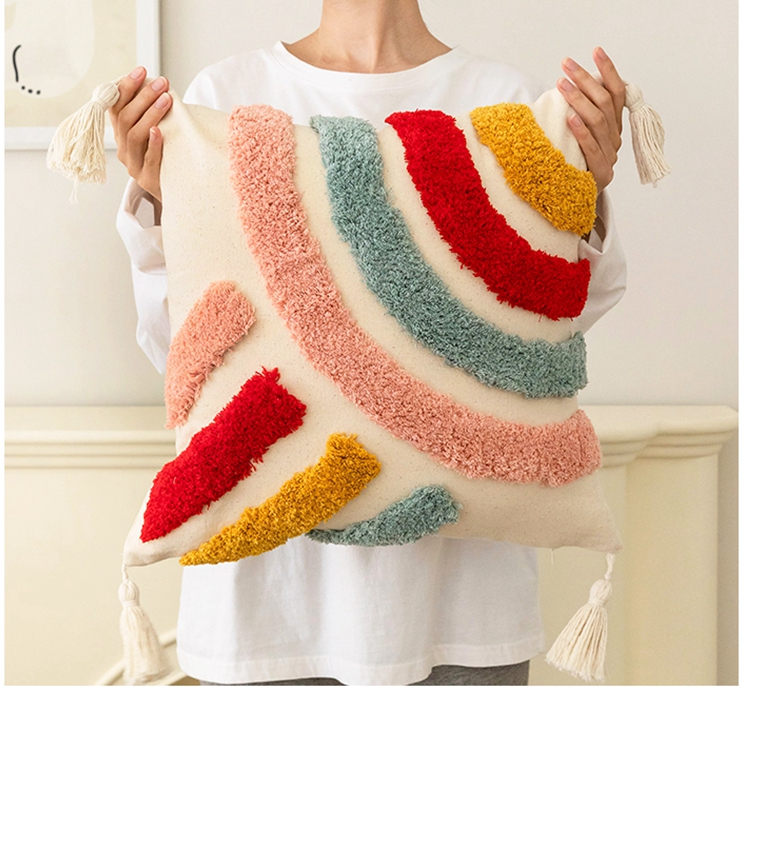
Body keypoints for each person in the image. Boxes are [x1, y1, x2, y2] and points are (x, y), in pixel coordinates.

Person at [111, 0, 627, 686]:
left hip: (463, 617)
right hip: (262, 613)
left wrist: (585, 192)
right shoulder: (224, 94)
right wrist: (161, 201)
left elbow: (548, 345)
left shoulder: (506, 99)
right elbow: (179, 353)